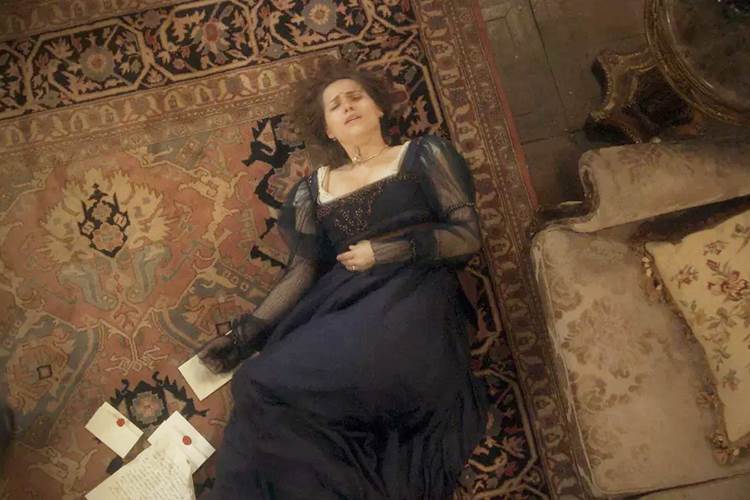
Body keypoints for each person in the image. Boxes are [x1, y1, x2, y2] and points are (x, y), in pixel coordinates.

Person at [199, 60, 489, 499]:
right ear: (328, 130)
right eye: (335, 106)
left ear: (378, 108)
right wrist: (243, 337)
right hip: (345, 304)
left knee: (326, 389)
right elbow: (302, 271)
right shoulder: (312, 190)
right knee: (257, 383)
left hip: (415, 300)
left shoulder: (424, 154)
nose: (348, 107)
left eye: (356, 97)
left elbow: (466, 236)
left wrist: (385, 252)